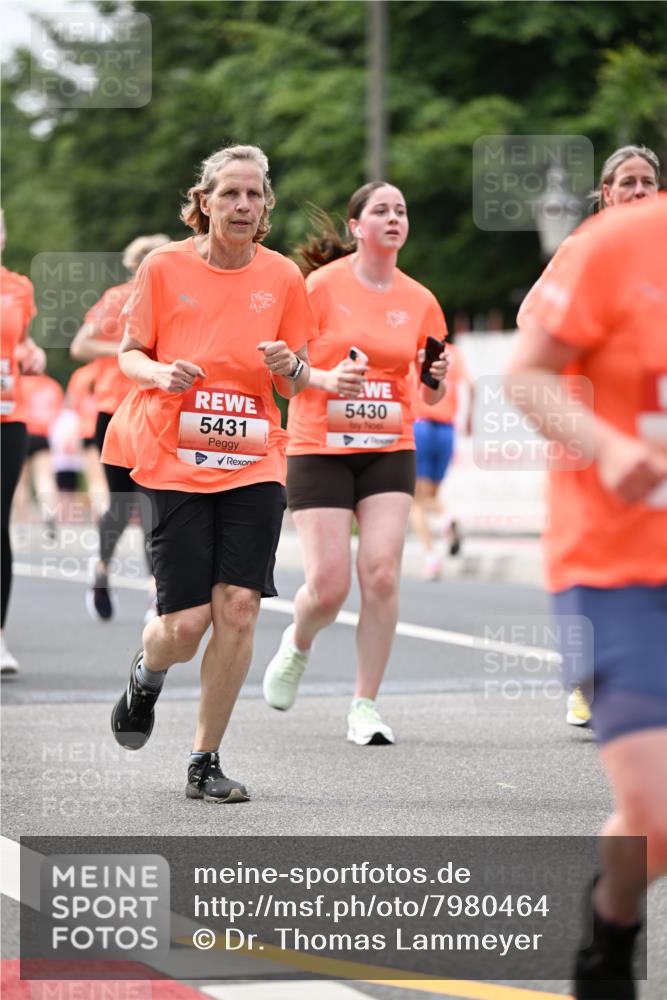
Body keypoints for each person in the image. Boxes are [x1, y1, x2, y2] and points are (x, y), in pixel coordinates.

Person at [102, 144, 315, 803]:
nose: (243, 205)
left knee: (240, 605)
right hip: (171, 452)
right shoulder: (164, 268)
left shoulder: (283, 278)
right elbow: (129, 353)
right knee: (185, 625)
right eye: (229, 194)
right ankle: (146, 674)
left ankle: (204, 760)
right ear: (204, 203)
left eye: (254, 195)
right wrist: (162, 372)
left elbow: (299, 381)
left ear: (266, 206)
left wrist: (287, 365)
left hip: (252, 455)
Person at [506, 194, 667, 999]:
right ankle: (612, 922)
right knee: (657, 814)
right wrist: (605, 446)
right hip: (619, 567)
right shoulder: (618, 245)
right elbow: (525, 374)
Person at [262, 182, 449, 744]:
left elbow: (432, 394)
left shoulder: (421, 300)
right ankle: (298, 642)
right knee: (327, 585)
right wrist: (323, 378)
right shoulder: (317, 288)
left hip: (389, 446)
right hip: (319, 444)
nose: (394, 218)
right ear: (355, 227)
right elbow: (281, 373)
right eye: (381, 210)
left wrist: (435, 382)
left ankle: (364, 703)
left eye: (402, 210)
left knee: (383, 573)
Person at [517, 143, 660, 728]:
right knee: (601, 552)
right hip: (591, 432)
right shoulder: (584, 248)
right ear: (605, 193)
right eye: (626, 183)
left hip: (650, 435)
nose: (637, 192)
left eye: (647, 182)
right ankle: (588, 677)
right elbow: (531, 322)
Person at [70, 235, 170, 621]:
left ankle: (156, 592)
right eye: (142, 258)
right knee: (122, 503)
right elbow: (80, 346)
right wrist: (128, 350)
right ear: (132, 264)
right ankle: (101, 573)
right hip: (113, 412)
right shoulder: (117, 299)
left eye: (156, 257)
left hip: (155, 413)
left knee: (153, 503)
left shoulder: (174, 297)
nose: (148, 264)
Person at [0, 209, 46, 674]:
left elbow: (21, 342)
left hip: (7, 416)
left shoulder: (17, 287)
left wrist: (29, 352)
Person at [408, 338, 473, 579]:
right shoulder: (454, 353)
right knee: (432, 496)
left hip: (422, 425)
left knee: (416, 500)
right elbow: (471, 385)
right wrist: (469, 418)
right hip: (447, 429)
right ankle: (447, 519)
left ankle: (432, 557)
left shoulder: (416, 351)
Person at [14, 372, 64, 538]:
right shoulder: (52, 386)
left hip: (21, 432)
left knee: (21, 483)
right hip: (42, 434)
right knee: (45, 479)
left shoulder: (18, 382)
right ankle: (49, 512)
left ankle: (22, 523)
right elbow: (57, 413)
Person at [65, 360, 109, 519]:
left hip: (87, 432)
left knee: (95, 478)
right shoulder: (114, 368)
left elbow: (71, 407)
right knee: (108, 478)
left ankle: (102, 515)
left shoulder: (80, 375)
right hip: (110, 428)